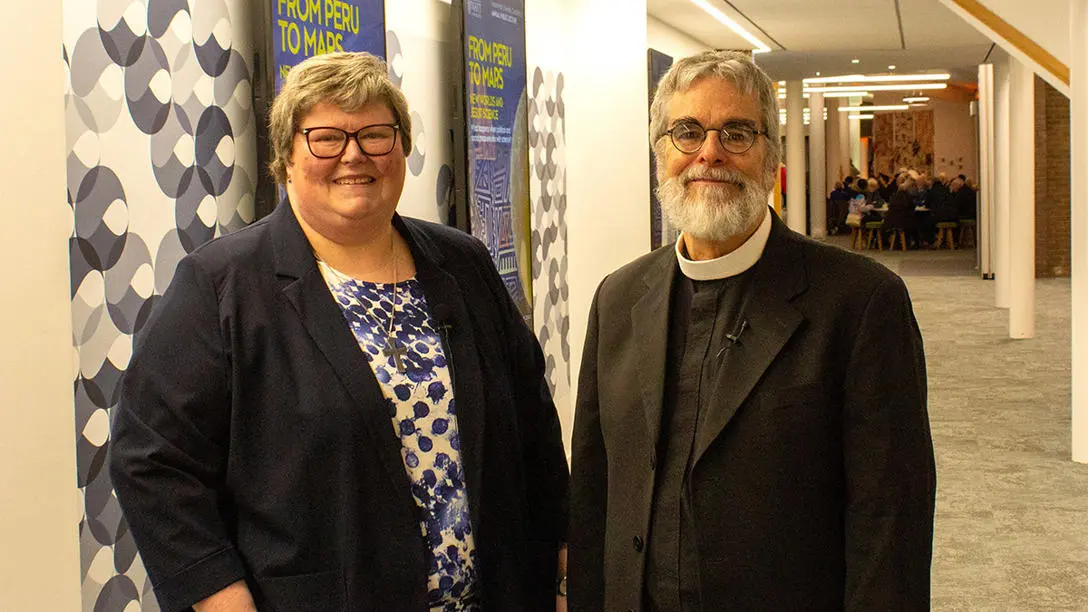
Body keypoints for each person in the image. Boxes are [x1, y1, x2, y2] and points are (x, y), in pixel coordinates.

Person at [110, 52, 569, 612]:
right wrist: (218, 598)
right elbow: (152, 459)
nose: (354, 155)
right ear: (287, 156)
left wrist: (561, 566)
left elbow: (533, 422)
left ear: (401, 147)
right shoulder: (221, 286)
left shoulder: (463, 264)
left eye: (375, 134)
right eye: (325, 138)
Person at [568, 50, 935, 611]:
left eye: (736, 133)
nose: (709, 153)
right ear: (660, 152)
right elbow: (594, 494)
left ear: (771, 157)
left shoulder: (860, 302)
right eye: (687, 132)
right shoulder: (617, 299)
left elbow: (890, 518)